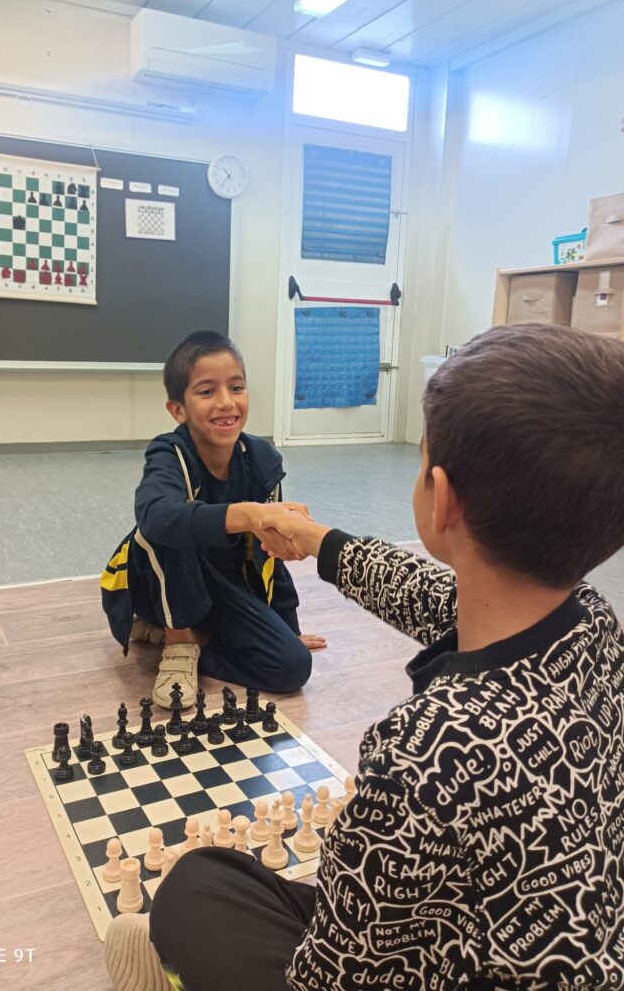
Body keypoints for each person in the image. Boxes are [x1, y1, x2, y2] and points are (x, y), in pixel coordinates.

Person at [104, 323, 624, 990]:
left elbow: (328, 977)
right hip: (530, 943)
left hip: (429, 967)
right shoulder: (596, 625)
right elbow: (429, 595)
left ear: (441, 497)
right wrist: (313, 537)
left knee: (194, 885)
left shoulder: (426, 752)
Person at [101, 330, 324, 708]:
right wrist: (248, 514)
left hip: (224, 587)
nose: (226, 402)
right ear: (178, 410)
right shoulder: (170, 453)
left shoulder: (262, 460)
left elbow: (272, 557)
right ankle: (177, 641)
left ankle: (196, 636)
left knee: (293, 666)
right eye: (207, 392)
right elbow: (155, 516)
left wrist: (287, 628)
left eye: (236, 387)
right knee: (170, 524)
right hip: (160, 587)